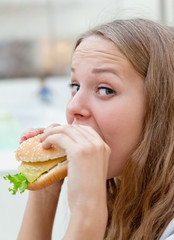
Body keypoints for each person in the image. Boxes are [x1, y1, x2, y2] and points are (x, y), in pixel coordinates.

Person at [17, 18, 174, 240]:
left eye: (105, 89)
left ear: (163, 107)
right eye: (75, 86)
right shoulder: (123, 208)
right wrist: (44, 188)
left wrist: (87, 214)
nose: (73, 107)